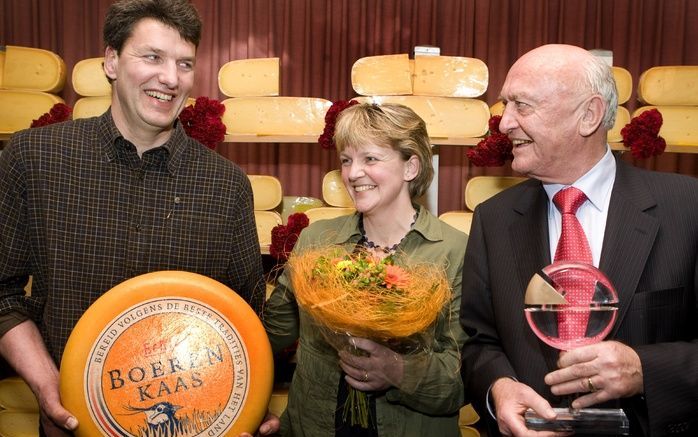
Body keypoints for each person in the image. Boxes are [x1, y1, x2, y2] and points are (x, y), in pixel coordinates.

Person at [0, 0, 278, 435]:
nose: (170, 78)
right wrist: (49, 385)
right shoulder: (35, 159)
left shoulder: (226, 186)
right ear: (111, 60)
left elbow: (243, 320)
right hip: (73, 424)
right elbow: (2, 293)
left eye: (184, 63)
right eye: (152, 57)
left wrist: (247, 401)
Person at [460, 44, 698, 436]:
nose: (504, 124)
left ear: (588, 115)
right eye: (507, 105)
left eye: (522, 105)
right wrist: (498, 388)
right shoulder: (494, 219)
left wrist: (644, 371)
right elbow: (478, 343)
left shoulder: (687, 208)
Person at [263, 103, 469, 436]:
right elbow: (268, 338)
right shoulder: (316, 239)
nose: (353, 173)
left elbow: (462, 380)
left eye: (370, 159)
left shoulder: (455, 251)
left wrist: (398, 370)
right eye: (346, 160)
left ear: (411, 166)